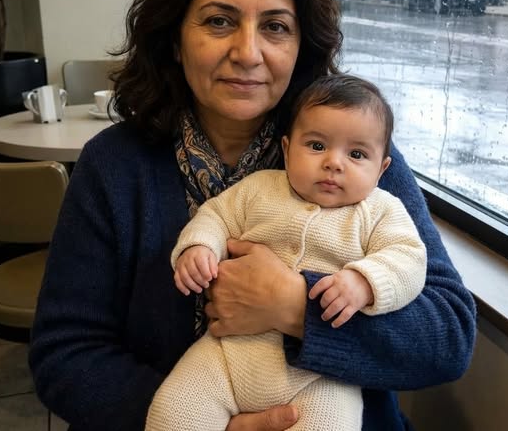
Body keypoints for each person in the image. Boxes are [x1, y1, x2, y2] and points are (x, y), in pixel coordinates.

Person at [29, 0, 476, 431]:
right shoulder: (113, 165)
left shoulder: (349, 157)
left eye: (276, 27)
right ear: (174, 39)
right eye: (219, 21)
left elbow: (448, 337)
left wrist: (295, 308)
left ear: (300, 46)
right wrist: (204, 420)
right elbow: (65, 354)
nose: (247, 53)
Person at [146, 74, 427, 431]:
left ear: (382, 168)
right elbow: (216, 216)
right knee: (173, 413)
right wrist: (199, 246)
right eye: (316, 146)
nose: (334, 163)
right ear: (287, 148)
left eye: (356, 154)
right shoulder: (260, 188)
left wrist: (366, 282)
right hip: (225, 356)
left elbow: (409, 258)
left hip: (321, 378)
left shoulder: (381, 211)